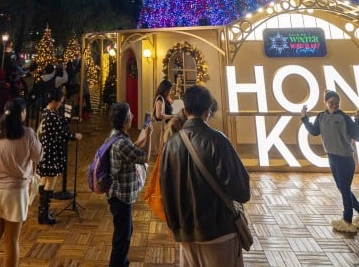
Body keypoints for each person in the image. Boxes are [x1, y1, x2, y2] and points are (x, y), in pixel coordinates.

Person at [160, 85, 251, 267]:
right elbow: (241, 191)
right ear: (208, 110)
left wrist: (176, 225)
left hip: (185, 232)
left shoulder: (170, 144)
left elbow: (165, 189)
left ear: (185, 111)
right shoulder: (217, 140)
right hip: (217, 230)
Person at [0, 98, 42, 267]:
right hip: (16, 191)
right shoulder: (28, 134)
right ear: (21, 114)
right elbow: (38, 156)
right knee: (12, 241)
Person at [300, 90, 359, 233]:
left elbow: (358, 136)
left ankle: (347, 220)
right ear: (325, 103)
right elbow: (314, 131)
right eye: (331, 102)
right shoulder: (321, 117)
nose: (334, 105)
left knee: (344, 189)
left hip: (345, 159)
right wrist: (304, 119)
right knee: (343, 188)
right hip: (332, 157)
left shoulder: (344, 117)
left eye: (336, 103)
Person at [105, 102, 152, 267]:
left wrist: (144, 134)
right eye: (130, 114)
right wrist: (150, 136)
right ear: (125, 120)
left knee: (126, 230)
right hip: (121, 195)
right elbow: (145, 157)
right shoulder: (121, 143)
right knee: (122, 235)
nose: (132, 115)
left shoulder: (116, 135)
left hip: (117, 193)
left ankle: (122, 261)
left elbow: (133, 147)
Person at [37, 88, 81, 224]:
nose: (61, 105)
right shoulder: (51, 116)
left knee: (44, 180)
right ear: (54, 101)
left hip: (46, 152)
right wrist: (75, 136)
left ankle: (42, 211)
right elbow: (61, 134)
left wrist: (67, 118)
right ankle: (44, 214)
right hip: (51, 153)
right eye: (60, 102)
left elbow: (58, 126)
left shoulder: (46, 113)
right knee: (50, 181)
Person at [149, 79, 174, 161]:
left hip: (165, 124)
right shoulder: (160, 100)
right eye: (170, 89)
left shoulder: (164, 98)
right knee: (159, 143)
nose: (171, 91)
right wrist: (171, 116)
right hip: (160, 125)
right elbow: (158, 115)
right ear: (165, 89)